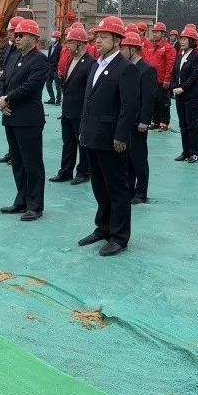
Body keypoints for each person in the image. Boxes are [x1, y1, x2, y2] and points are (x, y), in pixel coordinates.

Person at [77, 16, 138, 256]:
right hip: (92, 136)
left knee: (117, 189)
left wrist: (121, 135)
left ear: (117, 40)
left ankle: (119, 236)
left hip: (112, 139)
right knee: (99, 186)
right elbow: (88, 101)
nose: (98, 41)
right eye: (97, 37)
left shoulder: (126, 68)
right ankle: (103, 227)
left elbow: (129, 106)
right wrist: (83, 130)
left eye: (103, 37)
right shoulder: (95, 65)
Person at [0, 19, 51, 220]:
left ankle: (35, 205)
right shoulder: (13, 57)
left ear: (34, 38)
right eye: (16, 35)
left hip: (28, 120)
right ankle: (21, 200)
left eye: (21, 35)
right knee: (18, 162)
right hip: (10, 117)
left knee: (32, 163)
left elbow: (30, 86)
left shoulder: (39, 60)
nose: (16, 38)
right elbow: (2, 80)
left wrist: (7, 99)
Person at [50, 24, 93, 185]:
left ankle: (83, 172)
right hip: (68, 110)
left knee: (83, 143)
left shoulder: (90, 63)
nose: (67, 45)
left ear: (80, 44)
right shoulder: (70, 60)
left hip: (80, 111)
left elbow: (89, 91)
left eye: (70, 42)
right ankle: (66, 171)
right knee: (68, 142)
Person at [120, 31, 156, 205]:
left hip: (138, 123)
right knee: (127, 159)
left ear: (133, 49)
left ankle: (141, 193)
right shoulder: (127, 68)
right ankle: (129, 190)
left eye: (123, 48)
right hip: (127, 121)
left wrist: (144, 121)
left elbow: (148, 98)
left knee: (139, 159)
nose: (121, 51)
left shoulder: (147, 70)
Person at [172, 24, 198, 163]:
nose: (182, 41)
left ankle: (193, 153)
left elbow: (195, 75)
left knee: (191, 124)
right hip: (179, 95)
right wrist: (174, 86)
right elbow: (174, 73)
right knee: (183, 125)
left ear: (192, 41)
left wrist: (183, 88)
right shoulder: (179, 55)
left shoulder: (197, 57)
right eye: (181, 39)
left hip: (192, 96)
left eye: (185, 39)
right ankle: (185, 152)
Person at [147, 22, 175, 131]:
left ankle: (164, 122)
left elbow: (170, 64)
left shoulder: (168, 48)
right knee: (154, 101)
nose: (154, 34)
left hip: (162, 80)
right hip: (152, 79)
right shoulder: (152, 47)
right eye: (153, 32)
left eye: (157, 32)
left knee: (164, 102)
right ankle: (156, 121)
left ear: (163, 33)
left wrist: (167, 79)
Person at [45, 30, 62, 105]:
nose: (52, 38)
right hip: (50, 69)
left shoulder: (60, 47)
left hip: (56, 69)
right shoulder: (50, 47)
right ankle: (52, 98)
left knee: (58, 86)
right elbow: (49, 58)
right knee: (48, 84)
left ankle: (58, 100)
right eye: (52, 37)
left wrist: (59, 69)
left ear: (58, 38)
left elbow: (61, 59)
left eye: (54, 37)